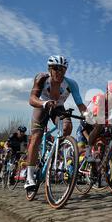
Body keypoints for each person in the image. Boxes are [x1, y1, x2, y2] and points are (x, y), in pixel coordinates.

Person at [25, 55, 87, 189]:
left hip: (58, 107)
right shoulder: (41, 78)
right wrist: (44, 103)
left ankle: (55, 150)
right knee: (36, 137)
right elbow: (32, 99)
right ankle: (29, 177)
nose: (59, 72)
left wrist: (89, 116)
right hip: (41, 105)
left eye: (63, 70)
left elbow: (80, 104)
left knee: (67, 126)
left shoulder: (71, 83)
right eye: (56, 69)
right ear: (49, 69)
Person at [82, 81, 112, 162]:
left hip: (100, 122)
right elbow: (98, 115)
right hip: (87, 120)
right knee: (101, 124)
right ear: (107, 92)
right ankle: (88, 152)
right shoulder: (100, 98)